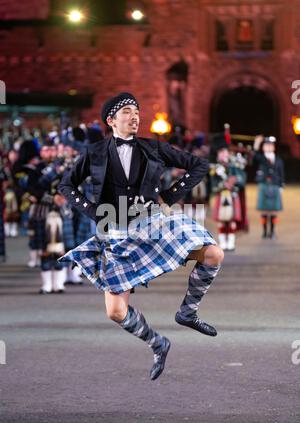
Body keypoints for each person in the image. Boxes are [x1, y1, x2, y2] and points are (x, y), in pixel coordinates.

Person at [58, 92, 224, 380]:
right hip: (115, 230)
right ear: (111, 120)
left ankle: (188, 312)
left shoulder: (153, 147)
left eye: (136, 111)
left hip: (153, 223)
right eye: (126, 112)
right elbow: (66, 185)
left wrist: (169, 197)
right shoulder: (94, 152)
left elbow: (198, 165)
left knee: (213, 253)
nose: (134, 116)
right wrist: (93, 211)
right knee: (116, 311)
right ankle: (158, 343)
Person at [210, 139, 247, 251]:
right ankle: (222, 242)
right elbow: (213, 185)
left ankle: (231, 242)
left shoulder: (234, 167)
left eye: (225, 152)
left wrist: (234, 181)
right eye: (221, 152)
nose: (224, 154)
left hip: (232, 195)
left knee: (232, 220)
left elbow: (242, 181)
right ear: (217, 155)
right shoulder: (215, 168)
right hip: (221, 195)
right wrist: (223, 184)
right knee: (221, 220)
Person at [253, 135, 284, 239]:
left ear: (274, 147)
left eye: (271, 145)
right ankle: (265, 232)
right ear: (263, 147)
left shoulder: (279, 160)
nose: (269, 147)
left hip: (275, 185)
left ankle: (273, 231)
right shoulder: (261, 158)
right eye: (267, 145)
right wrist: (256, 144)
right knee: (264, 211)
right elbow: (254, 156)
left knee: (274, 211)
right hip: (264, 185)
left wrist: (281, 186)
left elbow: (281, 173)